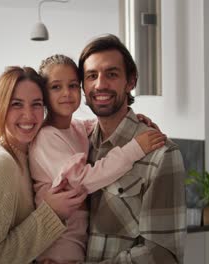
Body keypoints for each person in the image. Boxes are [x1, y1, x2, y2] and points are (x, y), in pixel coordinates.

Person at [29, 54, 166, 263]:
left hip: (78, 240)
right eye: (56, 87)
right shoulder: (46, 137)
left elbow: (97, 125)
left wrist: (134, 120)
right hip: (58, 247)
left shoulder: (76, 128)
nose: (66, 93)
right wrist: (135, 148)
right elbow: (83, 180)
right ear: (43, 94)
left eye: (73, 85)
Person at [79, 34, 187, 263]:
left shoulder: (161, 154)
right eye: (91, 76)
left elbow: (162, 254)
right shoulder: (78, 144)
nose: (100, 84)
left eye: (111, 74)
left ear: (131, 81)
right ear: (83, 86)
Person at [0, 66, 88, 264]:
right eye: (16, 104)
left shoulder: (25, 151)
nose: (28, 115)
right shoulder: (1, 164)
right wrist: (50, 214)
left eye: (36, 104)